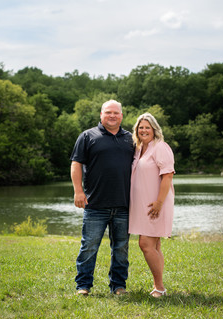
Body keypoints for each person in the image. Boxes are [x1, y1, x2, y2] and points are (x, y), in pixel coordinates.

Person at [70, 99, 134, 296]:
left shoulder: (131, 139)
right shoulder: (88, 136)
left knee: (121, 249)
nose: (112, 116)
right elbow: (76, 164)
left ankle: (118, 286)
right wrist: (78, 191)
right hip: (95, 204)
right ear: (101, 115)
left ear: (121, 115)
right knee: (89, 246)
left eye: (116, 112)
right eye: (108, 112)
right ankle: (83, 285)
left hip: (124, 205)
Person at [129, 113, 175, 298]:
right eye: (141, 127)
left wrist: (158, 203)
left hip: (156, 203)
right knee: (154, 245)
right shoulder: (139, 149)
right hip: (143, 205)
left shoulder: (160, 147)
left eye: (147, 127)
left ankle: (160, 287)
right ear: (136, 130)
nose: (144, 130)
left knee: (145, 244)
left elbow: (168, 176)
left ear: (155, 129)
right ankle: (159, 286)